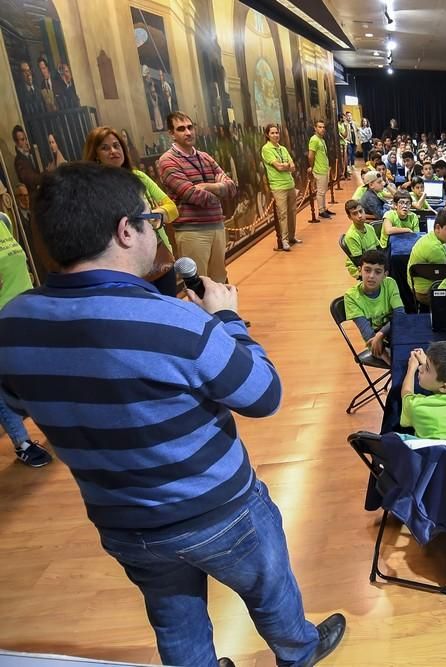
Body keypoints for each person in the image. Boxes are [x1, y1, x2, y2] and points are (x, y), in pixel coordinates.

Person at [0, 162, 346, 665]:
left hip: (123, 520)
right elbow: (263, 395)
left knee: (174, 619)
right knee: (270, 591)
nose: (154, 231)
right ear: (125, 230)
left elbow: (15, 401)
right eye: (150, 220)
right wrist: (227, 319)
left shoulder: (13, 324)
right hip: (218, 510)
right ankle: (300, 651)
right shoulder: (176, 322)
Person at [84, 126, 178, 296]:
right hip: (123, 267)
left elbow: (172, 208)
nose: (113, 151)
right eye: (105, 148)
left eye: (116, 145)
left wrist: (155, 215)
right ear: (95, 154)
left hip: (158, 259)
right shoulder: (93, 188)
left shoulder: (139, 177)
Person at [157, 112, 236, 284]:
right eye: (181, 129)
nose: (188, 132)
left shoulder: (205, 157)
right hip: (192, 231)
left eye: (190, 127)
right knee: (199, 286)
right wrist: (220, 190)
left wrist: (209, 187)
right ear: (171, 134)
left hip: (216, 226)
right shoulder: (168, 161)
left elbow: (231, 186)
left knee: (220, 282)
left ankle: (220, 312)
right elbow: (193, 195)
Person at [0, 215, 50, 467]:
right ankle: (22, 442)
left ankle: (55, 423)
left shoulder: (3, 221)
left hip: (24, 311)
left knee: (37, 373)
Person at [345, 249, 404, 364]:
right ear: (359, 271)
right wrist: (387, 358)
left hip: (394, 331)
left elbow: (400, 314)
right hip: (375, 343)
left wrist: (380, 334)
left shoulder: (390, 283)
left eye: (377, 272)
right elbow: (367, 333)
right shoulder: (351, 297)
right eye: (367, 270)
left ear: (385, 275)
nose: (371, 276)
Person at [408, 209, 446, 306]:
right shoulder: (434, 249)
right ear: (438, 227)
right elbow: (445, 276)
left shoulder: (430, 237)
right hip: (425, 293)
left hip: (416, 287)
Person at [261, 124, 299, 252]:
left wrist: (286, 165)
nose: (275, 135)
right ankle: (284, 240)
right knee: (282, 214)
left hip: (290, 184)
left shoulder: (283, 148)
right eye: (272, 133)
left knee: (292, 212)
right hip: (278, 186)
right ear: (267, 135)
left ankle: (292, 236)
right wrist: (286, 166)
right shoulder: (266, 149)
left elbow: (293, 166)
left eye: (277, 133)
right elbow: (278, 167)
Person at [343, 199, 378, 279]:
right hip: (360, 267)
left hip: (372, 260)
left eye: (361, 211)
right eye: (355, 214)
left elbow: (378, 247)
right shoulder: (351, 236)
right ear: (349, 217)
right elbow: (359, 261)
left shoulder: (369, 227)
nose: (359, 216)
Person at [307, 120, 332, 219]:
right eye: (319, 127)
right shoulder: (314, 140)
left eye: (323, 127)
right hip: (319, 169)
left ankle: (324, 208)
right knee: (321, 191)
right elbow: (310, 155)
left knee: (324, 190)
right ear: (315, 128)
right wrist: (312, 167)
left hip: (324, 168)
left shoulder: (322, 140)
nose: (322, 129)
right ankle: (321, 210)